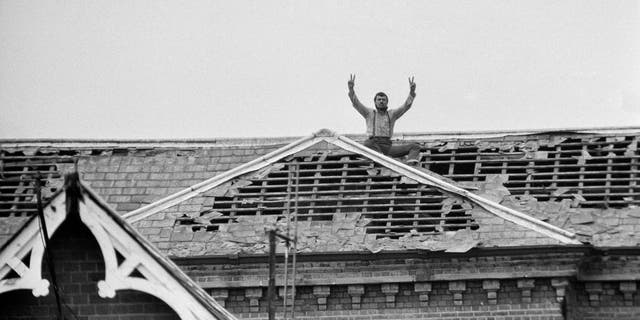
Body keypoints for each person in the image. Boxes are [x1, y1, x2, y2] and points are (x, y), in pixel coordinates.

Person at [347, 74, 421, 165]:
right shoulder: (369, 113)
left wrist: (412, 92)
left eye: (383, 99)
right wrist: (351, 89)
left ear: (387, 102)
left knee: (415, 146)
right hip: (374, 145)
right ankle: (377, 157)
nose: (381, 101)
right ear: (375, 102)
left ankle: (411, 166)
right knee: (367, 143)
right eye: (379, 99)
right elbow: (356, 103)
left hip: (387, 147)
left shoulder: (392, 114)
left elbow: (406, 106)